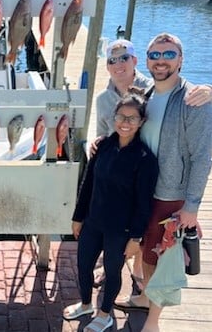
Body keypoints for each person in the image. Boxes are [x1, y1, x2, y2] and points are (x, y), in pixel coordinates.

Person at [93, 39, 212, 291]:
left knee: (156, 249)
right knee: (135, 233)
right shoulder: (114, 98)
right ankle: (124, 276)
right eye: (112, 60)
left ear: (136, 61)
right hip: (132, 181)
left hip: (166, 189)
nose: (119, 64)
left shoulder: (159, 90)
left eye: (124, 58)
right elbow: (109, 132)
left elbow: (201, 154)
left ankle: (144, 292)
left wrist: (191, 205)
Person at [63, 88, 159, 332]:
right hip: (93, 222)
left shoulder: (144, 158)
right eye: (121, 117)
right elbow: (88, 183)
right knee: (84, 265)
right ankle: (86, 304)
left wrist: (136, 238)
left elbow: (143, 204)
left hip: (120, 229)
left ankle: (104, 314)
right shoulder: (103, 146)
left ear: (141, 122)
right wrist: (77, 217)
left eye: (132, 118)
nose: (125, 123)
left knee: (112, 271)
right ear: (113, 117)